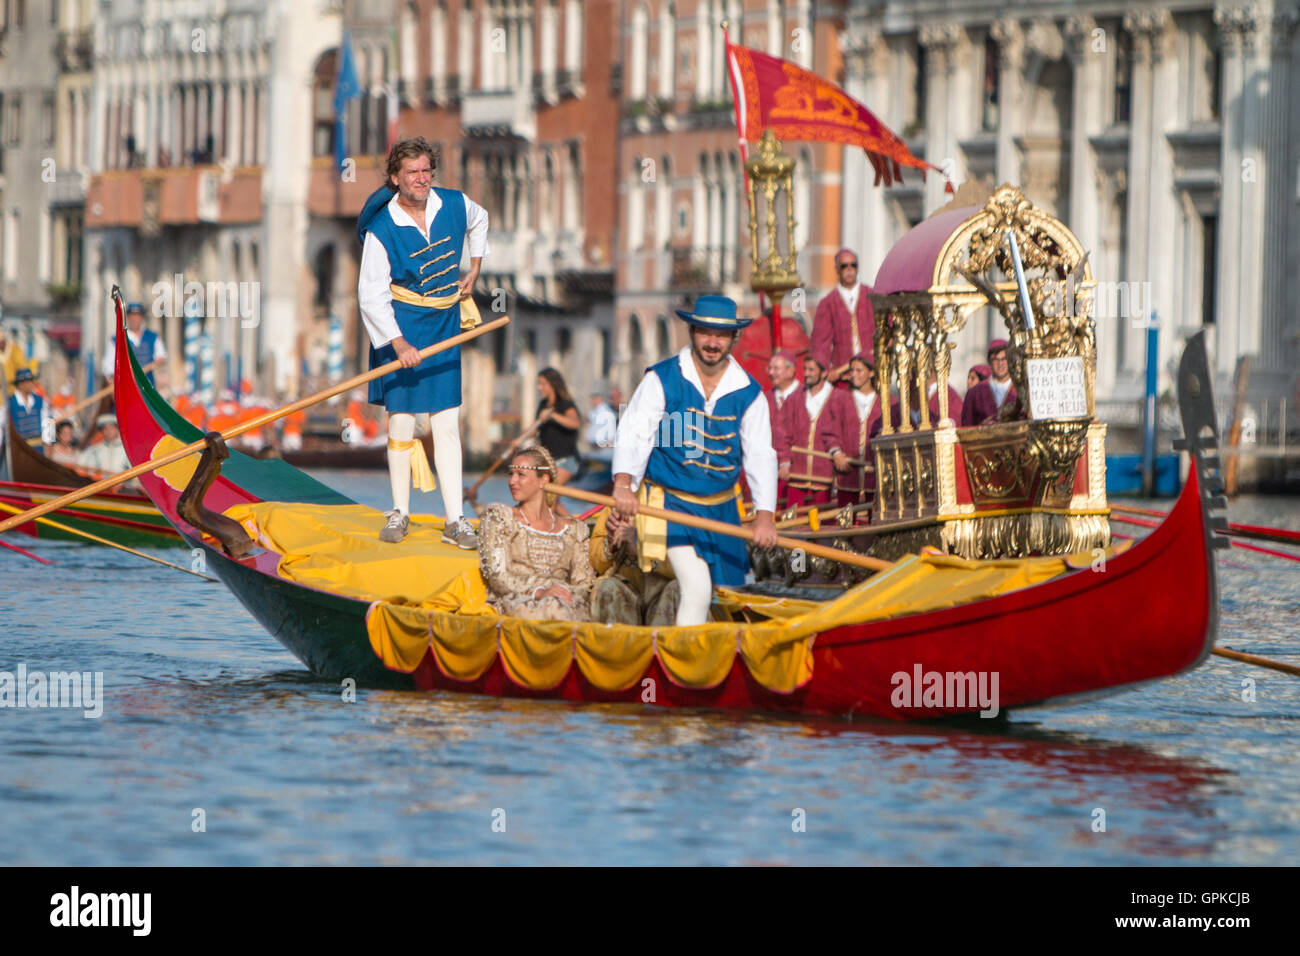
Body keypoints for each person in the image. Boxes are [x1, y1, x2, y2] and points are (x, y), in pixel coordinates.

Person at [611, 294, 778, 627]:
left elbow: (760, 455)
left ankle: (705, 652)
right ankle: (687, 666)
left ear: (734, 337)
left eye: (721, 334)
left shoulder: (749, 392)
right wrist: (623, 484)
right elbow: (635, 433)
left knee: (725, 593)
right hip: (669, 505)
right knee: (698, 587)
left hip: (721, 508)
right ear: (692, 332)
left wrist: (764, 517)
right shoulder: (662, 378)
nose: (712, 342)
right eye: (704, 332)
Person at [357, 136, 488, 547]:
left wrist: (476, 268)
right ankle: (399, 513)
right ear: (395, 178)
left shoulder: (453, 203)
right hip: (402, 324)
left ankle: (456, 520)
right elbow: (371, 295)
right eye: (411, 172)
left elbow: (480, 219)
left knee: (446, 423)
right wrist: (397, 345)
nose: (421, 179)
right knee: (401, 422)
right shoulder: (381, 230)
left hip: (445, 322)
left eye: (426, 171)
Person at [477, 445, 595, 621]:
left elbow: (584, 584)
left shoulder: (574, 529)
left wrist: (562, 593)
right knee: (554, 607)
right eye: (511, 474)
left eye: (521, 475)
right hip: (518, 600)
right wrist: (540, 592)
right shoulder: (499, 518)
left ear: (543, 480)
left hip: (565, 599)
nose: (512, 481)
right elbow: (497, 577)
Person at [588, 506, 679, 626]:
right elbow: (597, 564)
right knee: (607, 586)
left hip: (664, 590)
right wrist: (611, 542)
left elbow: (691, 567)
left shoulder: (676, 505)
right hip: (627, 590)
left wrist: (642, 549)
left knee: (678, 589)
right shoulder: (615, 506)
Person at [775, 355, 845, 508]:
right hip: (797, 475)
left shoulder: (838, 398)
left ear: (824, 373)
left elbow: (842, 433)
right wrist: (784, 462)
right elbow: (782, 433)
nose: (806, 373)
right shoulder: (794, 398)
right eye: (805, 369)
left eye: (811, 370)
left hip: (823, 476)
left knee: (823, 522)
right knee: (793, 520)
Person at [823, 354, 883, 508]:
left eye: (859, 370)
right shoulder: (840, 398)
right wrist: (836, 454)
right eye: (851, 370)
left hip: (876, 476)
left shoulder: (886, 401)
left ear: (871, 373)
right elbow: (830, 431)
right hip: (848, 475)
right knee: (846, 520)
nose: (853, 374)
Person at [812, 247, 876, 383]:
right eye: (844, 266)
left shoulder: (872, 296)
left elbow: (888, 330)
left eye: (853, 265)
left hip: (872, 374)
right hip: (843, 377)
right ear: (837, 269)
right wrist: (824, 370)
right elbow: (820, 344)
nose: (849, 269)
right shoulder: (827, 303)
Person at [765, 349, 800, 507]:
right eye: (770, 368)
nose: (771, 373)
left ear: (790, 370)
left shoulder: (804, 397)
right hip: (770, 472)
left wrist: (787, 462)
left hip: (799, 473)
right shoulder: (765, 399)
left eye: (776, 369)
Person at [535, 367, 582, 484]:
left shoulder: (564, 403)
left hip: (566, 460)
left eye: (542, 384)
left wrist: (552, 415)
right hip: (549, 461)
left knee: (549, 495)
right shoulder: (543, 404)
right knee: (546, 498)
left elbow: (575, 423)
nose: (539, 387)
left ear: (552, 384)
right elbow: (535, 430)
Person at [102, 302, 167, 385]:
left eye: (137, 316)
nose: (135, 319)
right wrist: (113, 378)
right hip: (126, 384)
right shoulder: (117, 340)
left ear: (142, 317)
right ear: (128, 317)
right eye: (132, 316)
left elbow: (161, 356)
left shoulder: (152, 337)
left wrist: (159, 361)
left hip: (147, 384)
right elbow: (107, 365)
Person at [961, 339, 1017, 427]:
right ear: (989, 362)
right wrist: (981, 427)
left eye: (1004, 359)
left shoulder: (1020, 389)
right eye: (995, 360)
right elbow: (966, 427)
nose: (1000, 364)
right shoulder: (974, 393)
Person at [5, 368, 53, 447]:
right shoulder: (10, 402)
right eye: (28, 382)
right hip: (18, 448)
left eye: (31, 381)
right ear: (20, 384)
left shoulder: (40, 400)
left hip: (38, 448)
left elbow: (48, 420)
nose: (31, 384)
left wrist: (49, 444)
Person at [586, 387, 618, 467]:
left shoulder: (605, 412)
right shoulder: (594, 411)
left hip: (603, 448)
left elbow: (611, 431)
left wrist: (606, 443)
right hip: (595, 447)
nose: (593, 401)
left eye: (595, 398)